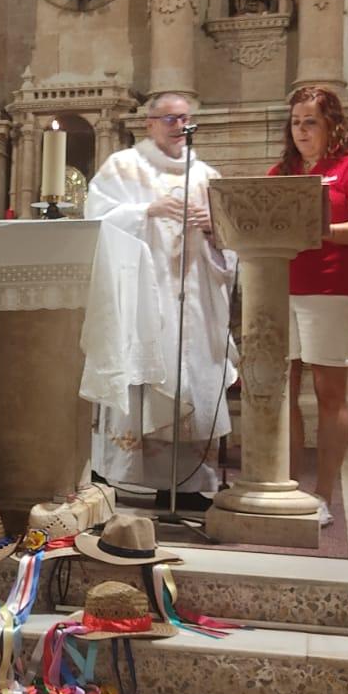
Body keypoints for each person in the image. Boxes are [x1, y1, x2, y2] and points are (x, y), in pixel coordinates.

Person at [81, 92, 238, 512]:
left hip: (195, 301)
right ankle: (126, 475)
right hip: (143, 299)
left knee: (193, 380)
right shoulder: (123, 167)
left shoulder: (206, 175)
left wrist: (213, 228)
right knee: (145, 379)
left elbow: (232, 245)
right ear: (149, 123)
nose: (179, 126)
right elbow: (96, 220)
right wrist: (146, 210)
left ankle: (186, 485)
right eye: (169, 119)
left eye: (184, 118)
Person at [268, 86, 348, 526]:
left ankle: (324, 495)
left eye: (311, 121)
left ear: (332, 124)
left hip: (330, 289)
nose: (301, 130)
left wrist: (323, 229)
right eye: (296, 122)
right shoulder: (281, 171)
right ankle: (287, 487)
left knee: (329, 394)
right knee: (283, 393)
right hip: (280, 288)